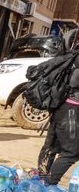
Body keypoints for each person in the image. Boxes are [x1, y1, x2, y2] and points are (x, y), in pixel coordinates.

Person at [38, 34, 79, 184]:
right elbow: (75, 81)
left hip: (61, 106)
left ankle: (40, 181)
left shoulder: (71, 54)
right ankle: (48, 183)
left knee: (52, 145)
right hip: (70, 109)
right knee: (72, 151)